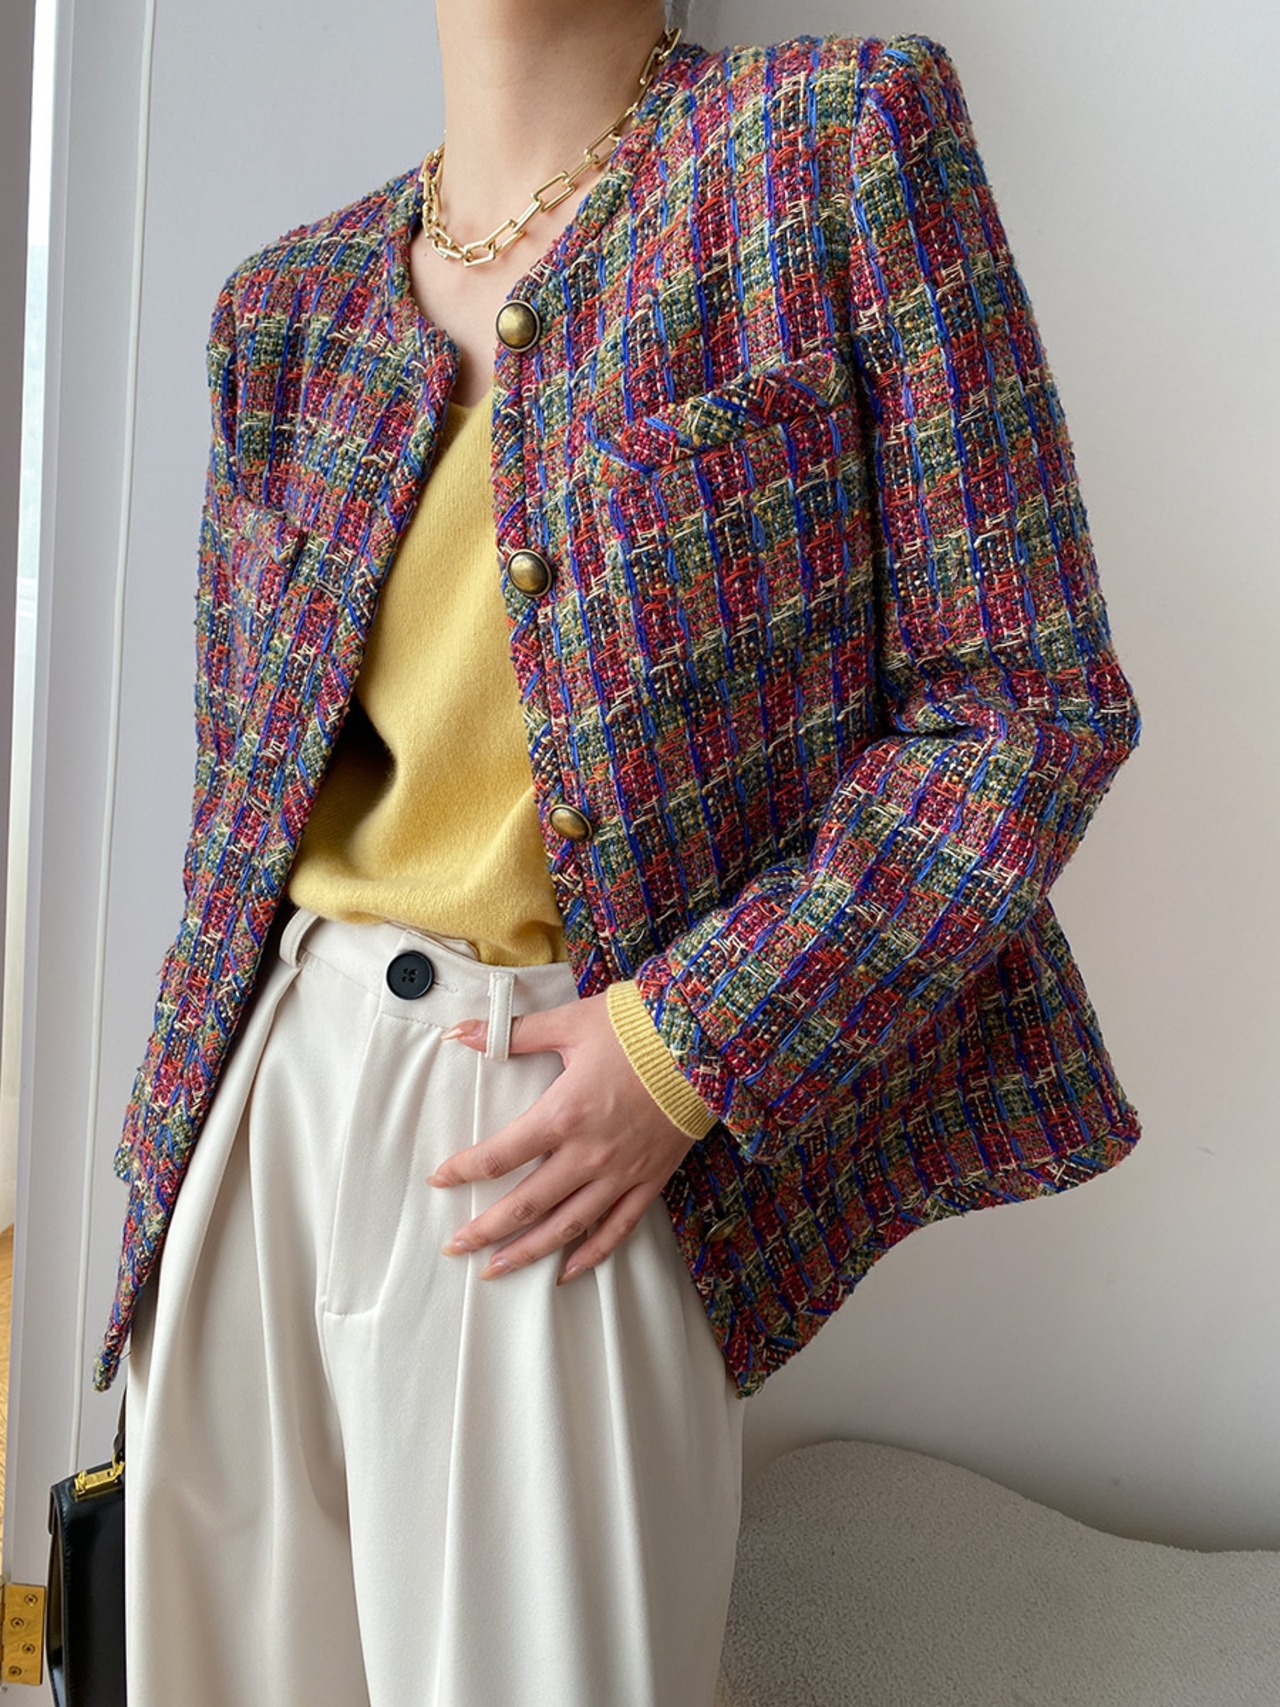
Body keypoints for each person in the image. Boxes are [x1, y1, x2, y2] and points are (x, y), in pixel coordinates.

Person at [101, 3, 1144, 1705]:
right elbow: (239, 810)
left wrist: (683, 1049)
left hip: (555, 1139)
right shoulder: (283, 312)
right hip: (258, 1115)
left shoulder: (827, 149)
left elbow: (1028, 708)